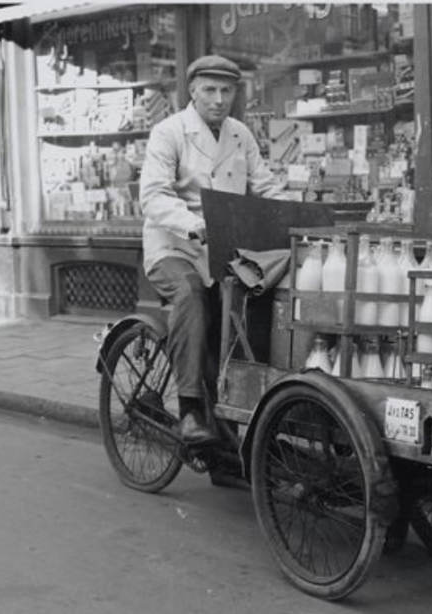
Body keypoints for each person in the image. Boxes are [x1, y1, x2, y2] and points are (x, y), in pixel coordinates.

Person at [139, 55, 284, 444]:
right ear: (192, 91)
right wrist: (194, 225)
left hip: (226, 252)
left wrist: (292, 216)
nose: (219, 99)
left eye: (227, 90)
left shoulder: (240, 133)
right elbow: (152, 197)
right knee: (190, 296)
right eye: (210, 90)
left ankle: (236, 417)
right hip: (175, 247)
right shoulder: (168, 132)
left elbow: (265, 186)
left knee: (251, 308)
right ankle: (189, 411)